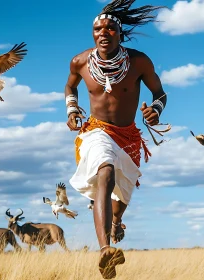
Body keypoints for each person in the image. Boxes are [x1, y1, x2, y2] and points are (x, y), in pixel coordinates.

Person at [64, 0, 168, 279]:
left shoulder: (138, 61)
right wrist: (72, 109)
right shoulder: (80, 61)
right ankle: (105, 250)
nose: (103, 33)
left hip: (129, 136)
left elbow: (160, 94)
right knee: (105, 171)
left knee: (120, 200)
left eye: (110, 28)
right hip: (97, 130)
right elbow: (70, 86)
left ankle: (116, 222)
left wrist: (154, 111)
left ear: (120, 33)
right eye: (98, 28)